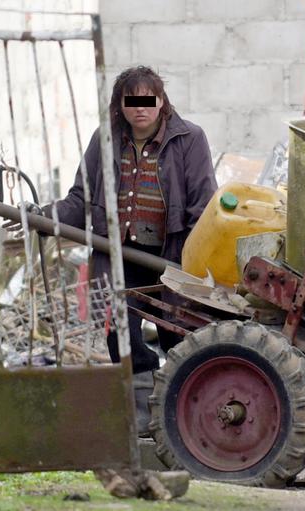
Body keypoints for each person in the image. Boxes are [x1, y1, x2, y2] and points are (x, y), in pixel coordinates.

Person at [49, 66, 217, 373]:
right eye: (132, 102)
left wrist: (193, 264)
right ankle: (141, 391)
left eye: (149, 100)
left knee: (177, 334)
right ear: (119, 106)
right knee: (119, 334)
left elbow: (203, 207)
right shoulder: (105, 140)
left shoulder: (189, 138)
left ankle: (180, 394)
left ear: (162, 101)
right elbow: (80, 200)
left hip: (171, 255)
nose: (141, 109)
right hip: (121, 256)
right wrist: (46, 215)